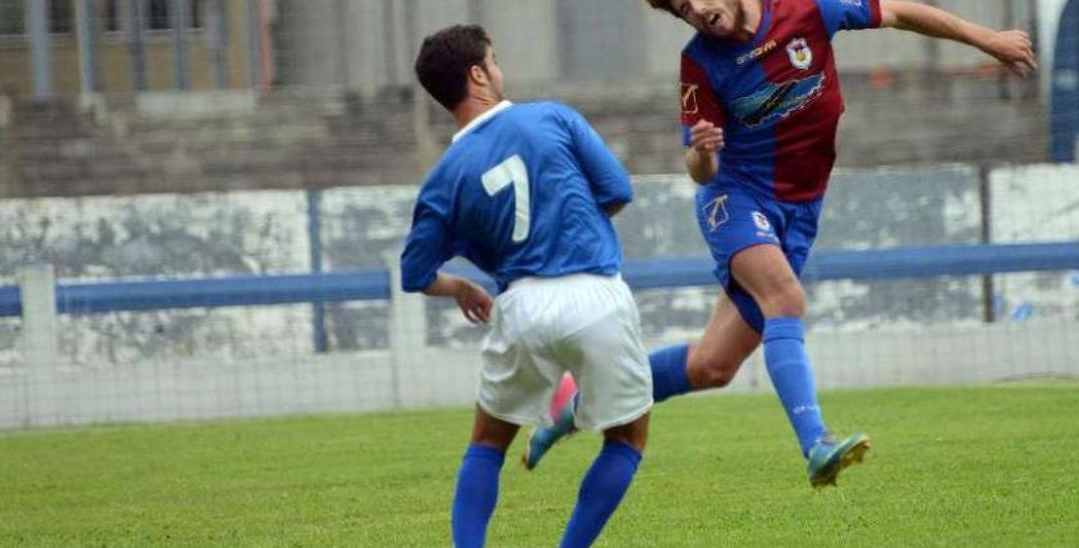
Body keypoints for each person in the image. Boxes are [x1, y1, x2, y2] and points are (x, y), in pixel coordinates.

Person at [526, 0, 1036, 489]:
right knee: (785, 299)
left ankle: (572, 410)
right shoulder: (699, 62)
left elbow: (899, 12)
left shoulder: (807, 7)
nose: (696, 10)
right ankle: (816, 446)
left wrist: (988, 40)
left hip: (800, 210)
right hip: (737, 200)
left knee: (712, 366)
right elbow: (701, 170)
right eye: (682, 9)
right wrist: (703, 151)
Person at [402, 25, 653, 548]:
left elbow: (415, 273)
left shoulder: (443, 177)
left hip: (521, 306)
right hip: (596, 294)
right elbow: (617, 191)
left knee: (488, 444)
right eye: (493, 60)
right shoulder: (551, 117)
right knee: (627, 438)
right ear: (478, 74)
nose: (499, 69)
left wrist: (462, 288)